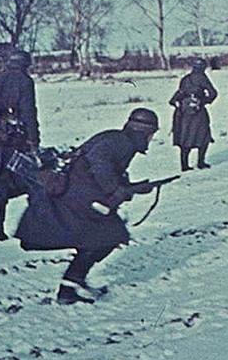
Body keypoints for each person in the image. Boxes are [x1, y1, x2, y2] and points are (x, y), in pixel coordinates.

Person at [14, 108, 160, 304]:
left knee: (99, 237)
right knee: (107, 236)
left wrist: (129, 187)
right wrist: (117, 190)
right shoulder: (123, 143)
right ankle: (70, 287)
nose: (151, 139)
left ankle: (71, 285)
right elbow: (100, 163)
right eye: (151, 134)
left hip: (77, 192)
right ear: (144, 131)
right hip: (78, 195)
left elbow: (103, 167)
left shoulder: (117, 138)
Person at [0, 50, 39, 241]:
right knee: (33, 181)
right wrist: (34, 141)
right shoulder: (25, 82)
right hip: (14, 143)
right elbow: (29, 113)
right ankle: (34, 227)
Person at [170, 58, 218, 171]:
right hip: (198, 112)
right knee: (204, 136)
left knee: (185, 137)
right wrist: (204, 101)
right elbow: (213, 93)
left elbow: (180, 92)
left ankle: (184, 165)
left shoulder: (185, 79)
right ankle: (200, 162)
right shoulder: (202, 78)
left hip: (183, 112)